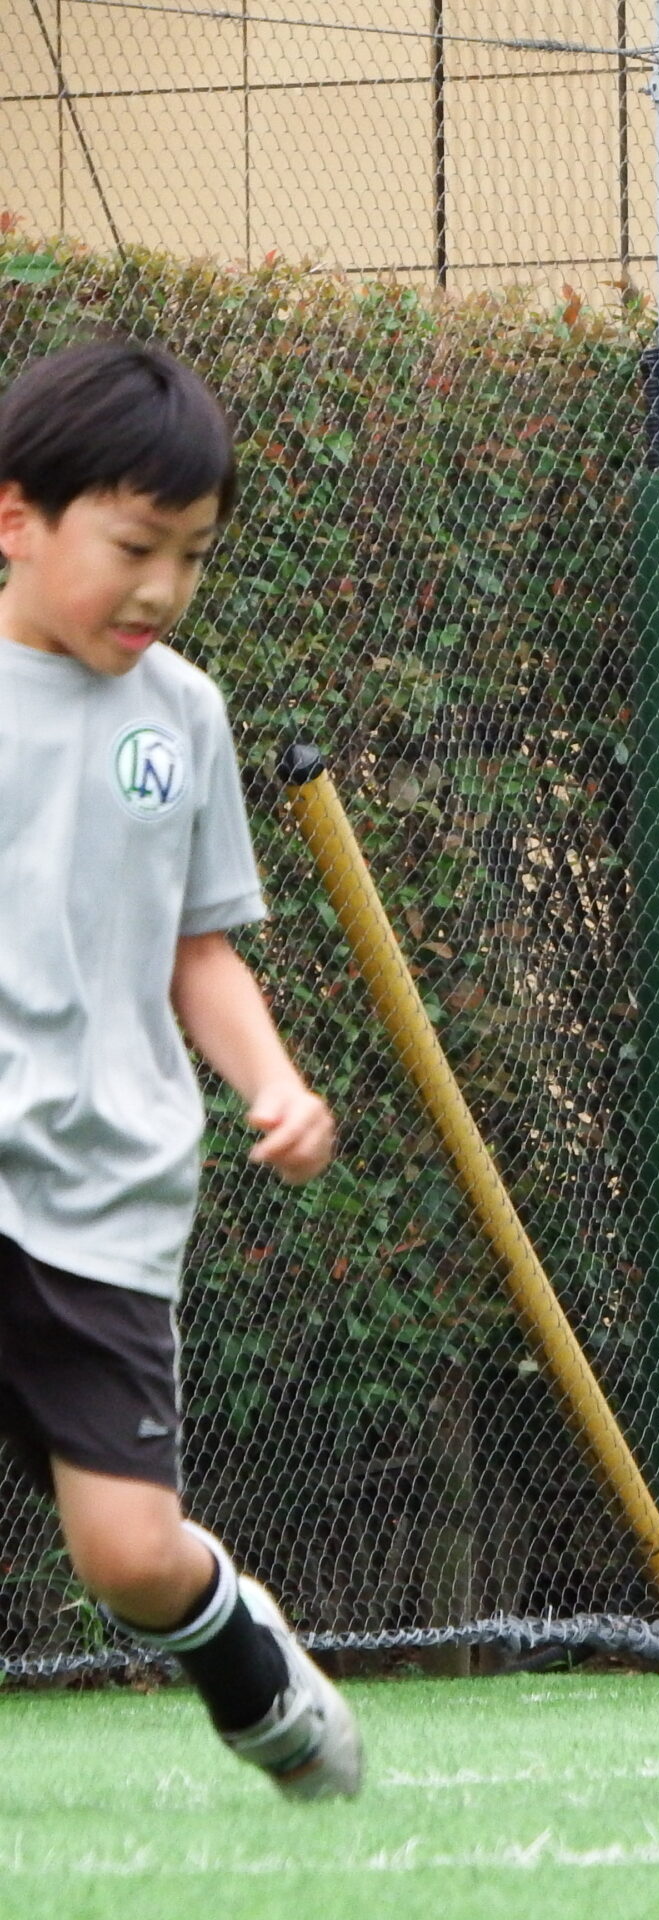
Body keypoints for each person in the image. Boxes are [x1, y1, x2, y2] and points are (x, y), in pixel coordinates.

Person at [0, 340, 360, 1798]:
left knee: (131, 1556)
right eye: (134, 546)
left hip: (103, 1193)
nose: (160, 589)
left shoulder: (184, 716)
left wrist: (274, 1084)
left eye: (192, 557)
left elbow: (197, 949)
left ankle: (245, 1663)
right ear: (16, 520)